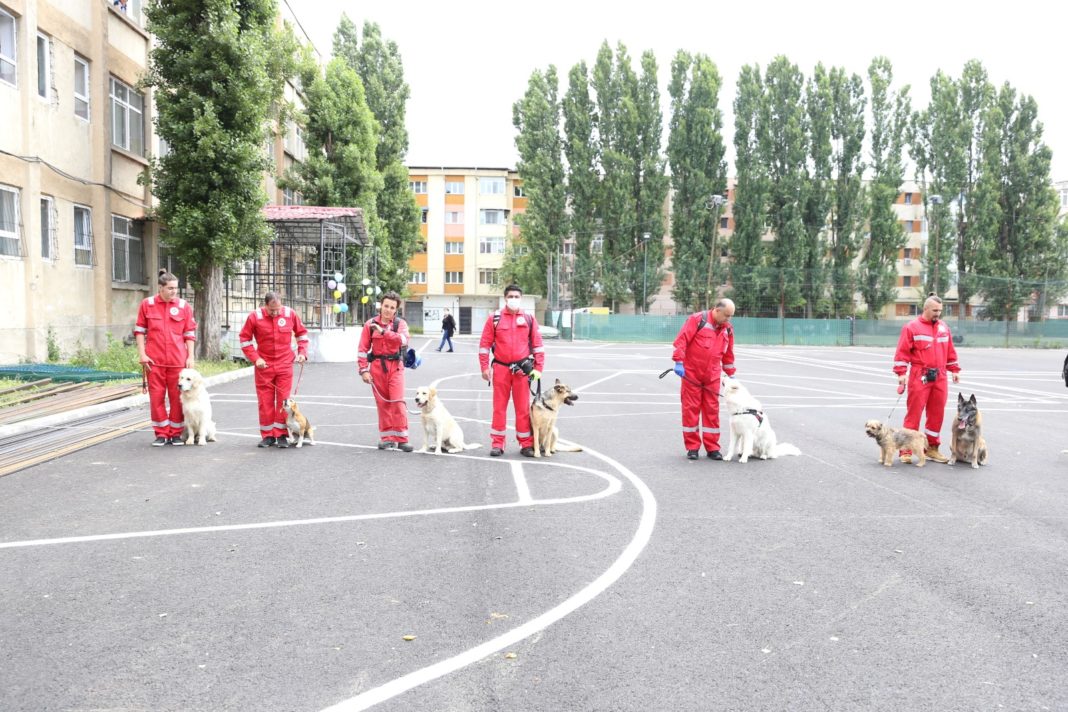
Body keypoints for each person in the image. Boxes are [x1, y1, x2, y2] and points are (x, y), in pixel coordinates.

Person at [892, 294, 961, 464]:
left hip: (940, 376)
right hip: (919, 375)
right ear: (926, 309)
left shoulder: (944, 328)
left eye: (940, 310)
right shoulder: (911, 328)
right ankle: (906, 450)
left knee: (937, 413)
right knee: (914, 413)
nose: (938, 313)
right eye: (935, 310)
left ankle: (931, 448)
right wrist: (901, 373)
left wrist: (954, 369)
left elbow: (950, 350)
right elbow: (902, 352)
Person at [478, 284, 545, 457]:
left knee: (522, 408)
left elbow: (538, 345)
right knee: (499, 408)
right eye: (511, 296)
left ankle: (526, 444)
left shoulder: (529, 318)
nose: (514, 299)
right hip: (501, 369)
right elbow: (484, 345)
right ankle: (497, 443)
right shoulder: (495, 318)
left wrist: (538, 368)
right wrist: (484, 367)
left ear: (520, 298)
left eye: (517, 296)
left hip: (522, 371)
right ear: (505, 298)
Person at [134, 269, 197, 446]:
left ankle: (176, 433)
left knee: (177, 398)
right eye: (170, 288)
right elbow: (139, 331)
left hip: (178, 361)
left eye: (176, 288)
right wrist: (142, 354)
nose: (174, 291)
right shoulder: (147, 304)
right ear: (160, 288)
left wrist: (190, 356)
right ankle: (161, 433)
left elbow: (189, 333)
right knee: (156, 398)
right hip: (154, 361)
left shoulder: (184, 306)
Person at [239, 292, 310, 448]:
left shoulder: (290, 314)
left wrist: (302, 353)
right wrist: (255, 358)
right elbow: (244, 340)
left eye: (278, 309)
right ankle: (268, 435)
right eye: (272, 310)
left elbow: (302, 335)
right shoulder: (254, 317)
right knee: (265, 402)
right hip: (264, 365)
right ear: (265, 306)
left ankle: (282, 434)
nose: (276, 313)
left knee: (285, 401)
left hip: (285, 364)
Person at [671, 298, 737, 460]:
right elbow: (682, 341)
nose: (728, 319)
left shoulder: (727, 329)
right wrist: (679, 362)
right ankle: (692, 447)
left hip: (712, 376)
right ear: (716, 309)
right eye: (727, 315)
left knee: (711, 411)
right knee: (690, 410)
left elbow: (728, 354)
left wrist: (731, 374)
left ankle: (712, 448)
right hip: (692, 373)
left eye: (731, 316)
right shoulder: (697, 320)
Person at [357, 292, 413, 451]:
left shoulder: (399, 324)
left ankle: (402, 438)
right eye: (386, 306)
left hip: (395, 367)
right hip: (376, 368)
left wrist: (383, 332)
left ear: (396, 310)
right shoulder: (370, 324)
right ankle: (387, 437)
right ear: (381, 306)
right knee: (382, 403)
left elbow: (403, 340)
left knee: (397, 402)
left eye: (392, 308)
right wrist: (363, 370)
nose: (388, 310)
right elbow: (362, 349)